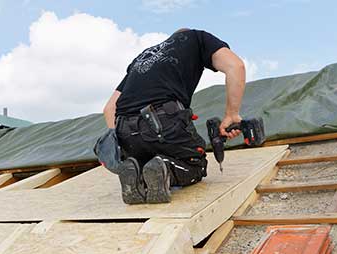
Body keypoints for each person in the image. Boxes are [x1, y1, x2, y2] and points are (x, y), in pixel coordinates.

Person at [102, 28, 247, 204]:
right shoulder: (196, 37)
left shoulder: (145, 56)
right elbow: (236, 66)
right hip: (162, 120)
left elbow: (109, 108)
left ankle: (136, 171)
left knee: (146, 160)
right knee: (196, 164)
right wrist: (231, 115)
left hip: (124, 128)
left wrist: (120, 149)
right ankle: (167, 169)